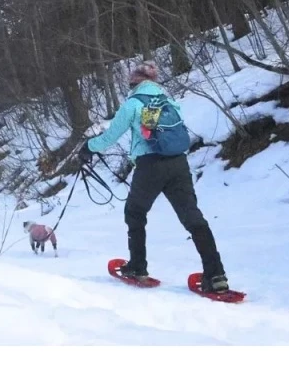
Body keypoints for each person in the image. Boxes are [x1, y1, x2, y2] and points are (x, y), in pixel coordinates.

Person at [78, 61, 229, 293]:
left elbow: (110, 137)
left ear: (133, 83)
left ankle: (137, 266)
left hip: (150, 165)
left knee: (135, 212)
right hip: (178, 163)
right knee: (193, 217)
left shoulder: (132, 104)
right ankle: (216, 275)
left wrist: (88, 147)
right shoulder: (168, 101)